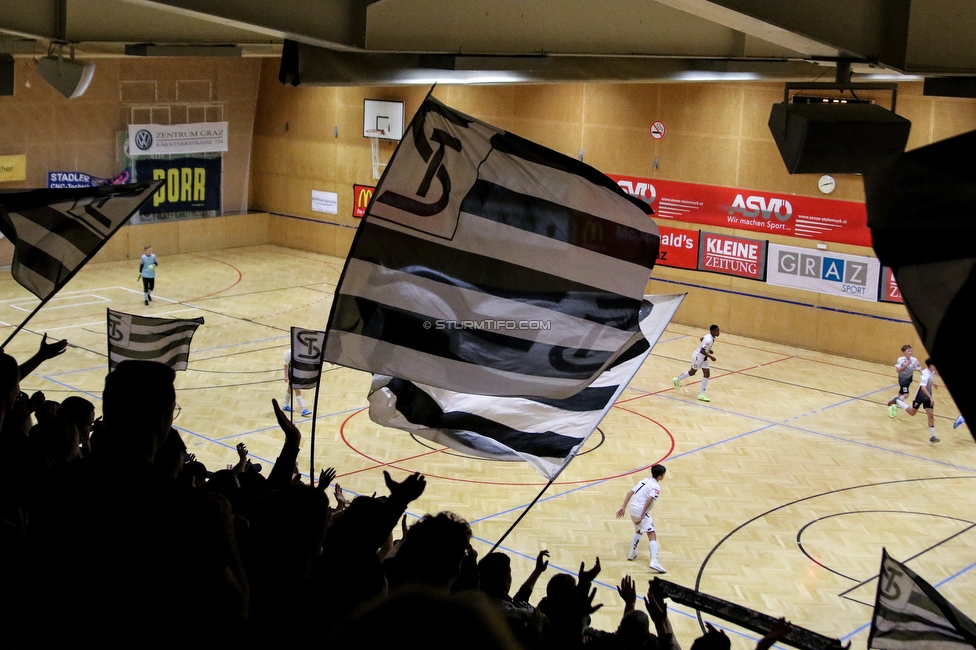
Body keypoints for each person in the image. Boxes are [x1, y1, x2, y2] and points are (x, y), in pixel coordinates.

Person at [615, 464, 667, 573]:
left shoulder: (644, 480)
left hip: (632, 508)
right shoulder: (656, 487)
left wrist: (623, 507)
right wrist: (642, 515)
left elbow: (630, 492)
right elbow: (649, 499)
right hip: (640, 510)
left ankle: (632, 552)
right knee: (652, 534)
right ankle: (654, 561)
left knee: (639, 530)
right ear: (660, 476)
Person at [893, 358, 939, 443]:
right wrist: (931, 397)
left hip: (927, 397)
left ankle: (932, 436)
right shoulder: (925, 374)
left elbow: (929, 381)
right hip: (920, 396)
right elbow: (923, 387)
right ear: (931, 365)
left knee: (931, 415)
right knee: (912, 413)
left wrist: (933, 384)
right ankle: (898, 401)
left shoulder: (932, 372)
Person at [673, 324, 719, 402]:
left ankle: (702, 394)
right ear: (712, 331)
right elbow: (702, 351)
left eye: (718, 331)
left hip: (703, 358)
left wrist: (708, 349)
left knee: (707, 374)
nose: (718, 332)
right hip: (698, 357)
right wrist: (711, 356)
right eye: (717, 331)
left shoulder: (710, 337)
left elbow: (701, 339)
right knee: (692, 372)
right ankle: (677, 380)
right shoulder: (709, 340)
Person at [887, 345, 922, 418]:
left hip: (909, 379)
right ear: (904, 352)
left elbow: (919, 368)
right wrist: (906, 365)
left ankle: (893, 401)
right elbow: (897, 370)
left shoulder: (914, 360)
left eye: (911, 351)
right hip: (903, 380)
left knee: (900, 394)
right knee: (906, 394)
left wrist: (923, 374)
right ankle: (894, 404)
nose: (910, 352)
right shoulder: (901, 360)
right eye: (908, 351)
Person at [283, 349, 311, 416]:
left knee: (290, 388)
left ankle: (285, 405)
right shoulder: (289, 352)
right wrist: (286, 376)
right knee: (297, 390)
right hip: (292, 374)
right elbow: (286, 364)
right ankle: (303, 409)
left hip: (298, 373)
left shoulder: (301, 351)